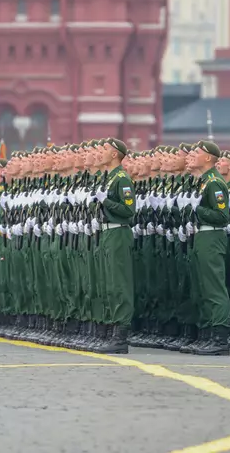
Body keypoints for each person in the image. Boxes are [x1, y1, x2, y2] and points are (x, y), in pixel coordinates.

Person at [186, 140, 230, 356]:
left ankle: (219, 338)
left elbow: (223, 216)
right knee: (204, 288)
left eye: (197, 152)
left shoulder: (214, 182)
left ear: (208, 158)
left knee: (214, 288)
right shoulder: (204, 182)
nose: (192, 155)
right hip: (202, 235)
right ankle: (208, 335)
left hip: (212, 235)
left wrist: (198, 211)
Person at [93, 138, 136, 353]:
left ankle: (121, 336)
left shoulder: (121, 178)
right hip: (108, 232)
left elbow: (129, 210)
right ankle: (112, 331)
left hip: (119, 232)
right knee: (109, 283)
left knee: (119, 283)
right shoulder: (108, 178)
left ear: (114, 154)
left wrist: (106, 202)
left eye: (105, 150)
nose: (101, 153)